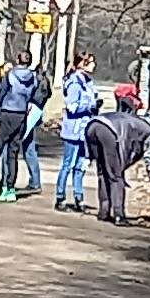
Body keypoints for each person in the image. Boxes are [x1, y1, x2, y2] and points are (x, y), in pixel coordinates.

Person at [92, 80, 150, 223]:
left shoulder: (135, 123)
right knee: (116, 176)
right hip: (109, 130)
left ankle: (104, 212)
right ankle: (119, 214)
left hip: (94, 125)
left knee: (103, 172)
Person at [0, 56, 42, 198]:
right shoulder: (33, 78)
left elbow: (2, 92)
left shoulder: (10, 75)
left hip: (7, 111)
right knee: (13, 151)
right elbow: (32, 94)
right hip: (22, 113)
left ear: (18, 60)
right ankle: (9, 188)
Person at [55, 54, 102, 211]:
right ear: (82, 64)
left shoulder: (88, 82)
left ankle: (79, 197)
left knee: (81, 166)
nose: (94, 65)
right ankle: (60, 197)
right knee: (68, 165)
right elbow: (72, 107)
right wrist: (90, 106)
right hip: (73, 130)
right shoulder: (75, 83)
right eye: (91, 62)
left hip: (85, 131)